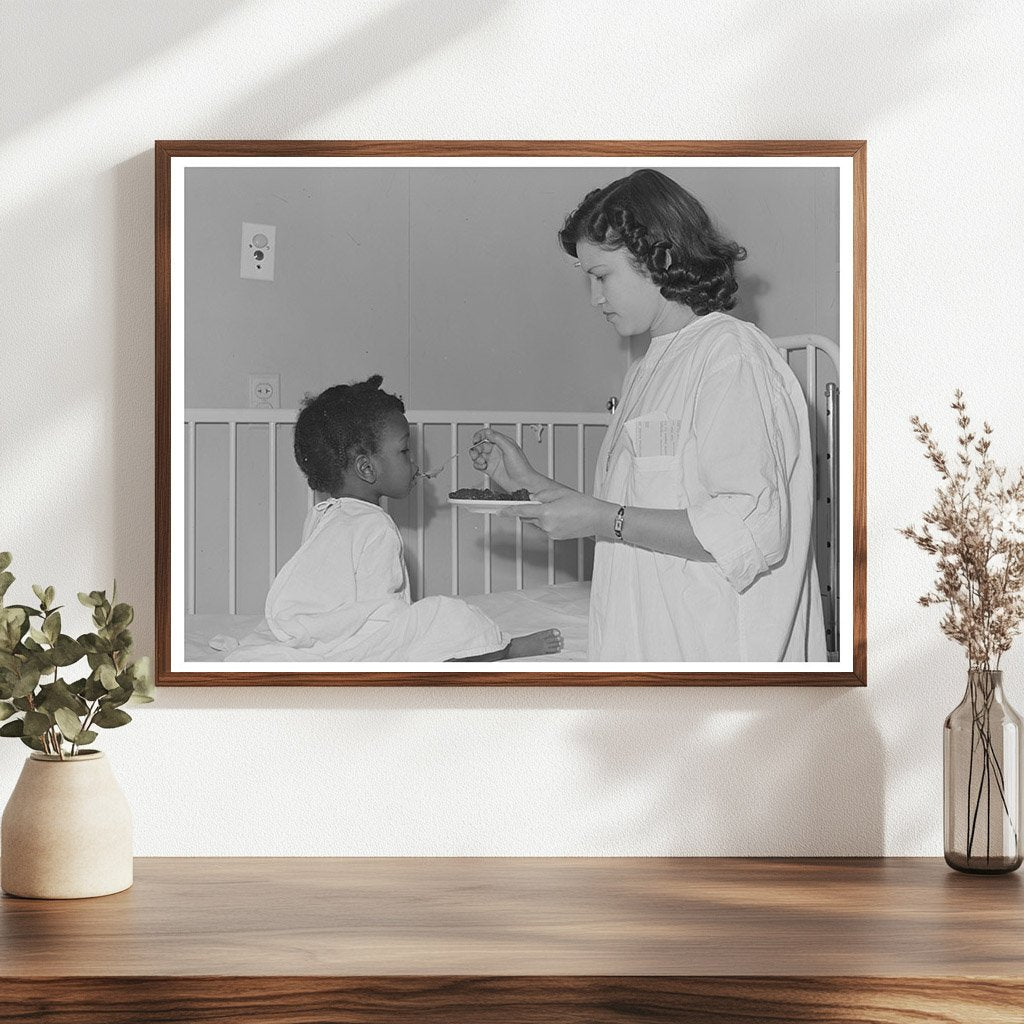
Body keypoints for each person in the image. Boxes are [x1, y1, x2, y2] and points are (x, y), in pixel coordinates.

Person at [472, 169, 826, 663]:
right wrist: (529, 484)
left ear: (660, 258)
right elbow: (634, 512)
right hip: (651, 637)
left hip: (716, 650)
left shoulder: (730, 354)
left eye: (601, 276)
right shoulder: (645, 369)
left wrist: (602, 518)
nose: (594, 298)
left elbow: (750, 524)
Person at [261, 376, 562, 662]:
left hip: (332, 641)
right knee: (452, 616)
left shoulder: (323, 515)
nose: (415, 464)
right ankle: (503, 649)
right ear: (367, 468)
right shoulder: (375, 525)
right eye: (405, 451)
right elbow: (383, 614)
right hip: (368, 647)